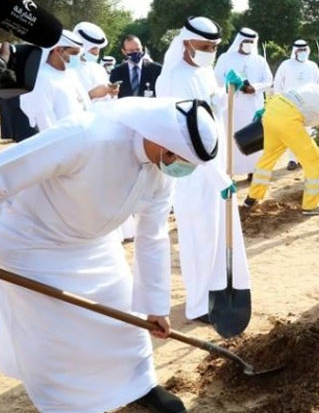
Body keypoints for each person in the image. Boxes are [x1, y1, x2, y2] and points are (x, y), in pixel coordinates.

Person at [0, 97, 220, 413]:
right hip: (33, 243)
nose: (183, 169)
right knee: (55, 335)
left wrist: (156, 307)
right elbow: (6, 173)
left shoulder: (162, 171)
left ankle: (139, 386)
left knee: (125, 315)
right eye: (183, 160)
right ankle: (65, 405)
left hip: (94, 243)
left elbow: (153, 235)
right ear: (164, 143)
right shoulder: (87, 134)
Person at [156, 16, 250, 323]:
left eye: (213, 47)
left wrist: (227, 92)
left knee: (218, 233)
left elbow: (211, 109)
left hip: (217, 166)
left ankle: (218, 294)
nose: (209, 51)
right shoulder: (173, 78)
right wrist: (215, 175)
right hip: (193, 172)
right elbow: (183, 133)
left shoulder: (205, 71)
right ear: (186, 42)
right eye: (204, 46)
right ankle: (198, 305)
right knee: (198, 238)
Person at [243, 83, 319, 215]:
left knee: (268, 158)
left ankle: (252, 198)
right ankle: (310, 206)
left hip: (271, 112)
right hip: (288, 119)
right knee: (314, 160)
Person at [214, 27, 273, 177]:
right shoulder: (225, 58)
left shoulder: (259, 60)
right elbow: (217, 79)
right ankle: (231, 171)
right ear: (239, 41)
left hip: (253, 108)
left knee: (254, 139)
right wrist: (233, 85)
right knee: (232, 140)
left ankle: (253, 172)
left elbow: (269, 80)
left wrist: (255, 87)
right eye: (246, 41)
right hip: (232, 108)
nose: (248, 44)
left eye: (251, 42)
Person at [19, 30, 92, 131]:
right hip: (62, 141)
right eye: (74, 53)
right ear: (58, 50)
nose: (77, 58)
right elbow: (44, 120)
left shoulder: (71, 74)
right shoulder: (41, 79)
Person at [274, 39, 319, 171]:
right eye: (299, 50)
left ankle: (305, 159)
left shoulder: (312, 65)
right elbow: (278, 84)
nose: (302, 52)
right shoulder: (286, 65)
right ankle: (292, 160)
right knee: (292, 132)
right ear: (295, 51)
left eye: (304, 50)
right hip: (290, 104)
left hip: (309, 105)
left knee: (308, 132)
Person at [71, 22, 119, 102]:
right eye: (93, 48)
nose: (97, 52)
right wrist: (91, 95)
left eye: (99, 48)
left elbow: (108, 99)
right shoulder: (69, 69)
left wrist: (112, 93)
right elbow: (67, 104)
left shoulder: (99, 68)